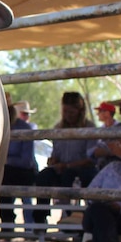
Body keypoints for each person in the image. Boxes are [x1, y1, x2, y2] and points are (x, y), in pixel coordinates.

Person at [32, 91, 97, 226]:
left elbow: (91, 158)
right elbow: (56, 153)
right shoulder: (58, 128)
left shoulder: (89, 128)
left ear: (80, 111)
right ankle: (40, 218)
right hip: (61, 168)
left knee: (79, 177)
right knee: (43, 177)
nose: (68, 115)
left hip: (81, 169)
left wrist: (68, 166)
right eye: (65, 111)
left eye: (71, 112)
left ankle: (76, 216)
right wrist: (53, 160)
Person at [0, 101, 38, 226]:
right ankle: (8, 225)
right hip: (8, 170)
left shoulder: (25, 129)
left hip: (22, 171)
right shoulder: (0, 126)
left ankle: (28, 226)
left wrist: (5, 160)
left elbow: (26, 161)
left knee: (23, 196)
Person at [90, 101, 119, 169]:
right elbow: (95, 151)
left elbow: (118, 150)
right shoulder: (100, 129)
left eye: (100, 111)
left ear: (107, 113)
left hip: (116, 165)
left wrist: (104, 151)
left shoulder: (119, 127)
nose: (98, 114)